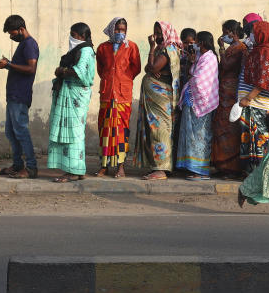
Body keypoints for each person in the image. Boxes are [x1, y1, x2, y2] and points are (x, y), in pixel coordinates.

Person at [47, 23, 96, 183]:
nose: (71, 38)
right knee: (73, 132)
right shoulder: (77, 50)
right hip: (70, 94)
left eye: (74, 35)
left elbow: (78, 72)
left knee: (74, 133)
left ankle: (73, 171)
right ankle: (77, 169)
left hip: (76, 96)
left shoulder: (86, 50)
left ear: (82, 37)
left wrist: (61, 71)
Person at [0, 14, 40, 179]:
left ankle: (31, 167)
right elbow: (20, 67)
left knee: (21, 132)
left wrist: (9, 64)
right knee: (11, 133)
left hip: (20, 95)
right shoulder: (24, 45)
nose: (12, 37)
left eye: (13, 34)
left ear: (21, 29)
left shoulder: (29, 45)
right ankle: (18, 165)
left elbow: (30, 69)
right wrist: (7, 65)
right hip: (13, 95)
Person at [135, 21, 182, 181]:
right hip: (155, 100)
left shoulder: (168, 49)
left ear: (167, 32)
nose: (157, 36)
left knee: (160, 131)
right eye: (155, 32)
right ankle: (157, 166)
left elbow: (153, 68)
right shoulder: (163, 49)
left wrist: (151, 48)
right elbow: (148, 69)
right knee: (155, 131)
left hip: (161, 101)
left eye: (159, 32)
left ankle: (161, 169)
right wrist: (151, 66)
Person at [95, 17, 141, 178]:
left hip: (123, 95)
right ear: (111, 29)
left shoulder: (132, 47)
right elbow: (101, 69)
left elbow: (136, 68)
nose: (120, 33)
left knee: (122, 131)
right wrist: (110, 79)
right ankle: (104, 165)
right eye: (117, 29)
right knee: (105, 131)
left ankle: (121, 166)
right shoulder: (102, 48)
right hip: (107, 95)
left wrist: (123, 79)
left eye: (123, 30)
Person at [238, 21, 269, 173]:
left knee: (260, 137)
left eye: (253, 31)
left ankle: (260, 171)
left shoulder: (265, 52)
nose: (251, 35)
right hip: (257, 102)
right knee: (253, 137)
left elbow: (264, 80)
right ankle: (255, 171)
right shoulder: (262, 50)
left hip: (260, 103)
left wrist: (248, 98)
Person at [176, 31, 219, 180]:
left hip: (202, 101)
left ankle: (201, 170)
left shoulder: (210, 58)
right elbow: (192, 74)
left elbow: (200, 80)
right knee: (189, 135)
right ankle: (189, 166)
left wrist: (191, 79)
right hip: (191, 100)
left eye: (197, 42)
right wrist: (192, 62)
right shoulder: (200, 57)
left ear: (201, 43)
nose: (195, 45)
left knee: (200, 136)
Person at [213, 20, 247, 178]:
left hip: (232, 92)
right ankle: (221, 164)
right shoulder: (233, 48)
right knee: (221, 128)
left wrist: (221, 48)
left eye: (225, 32)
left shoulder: (239, 48)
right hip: (224, 91)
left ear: (232, 33)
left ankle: (231, 167)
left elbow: (226, 65)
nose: (223, 35)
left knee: (230, 129)